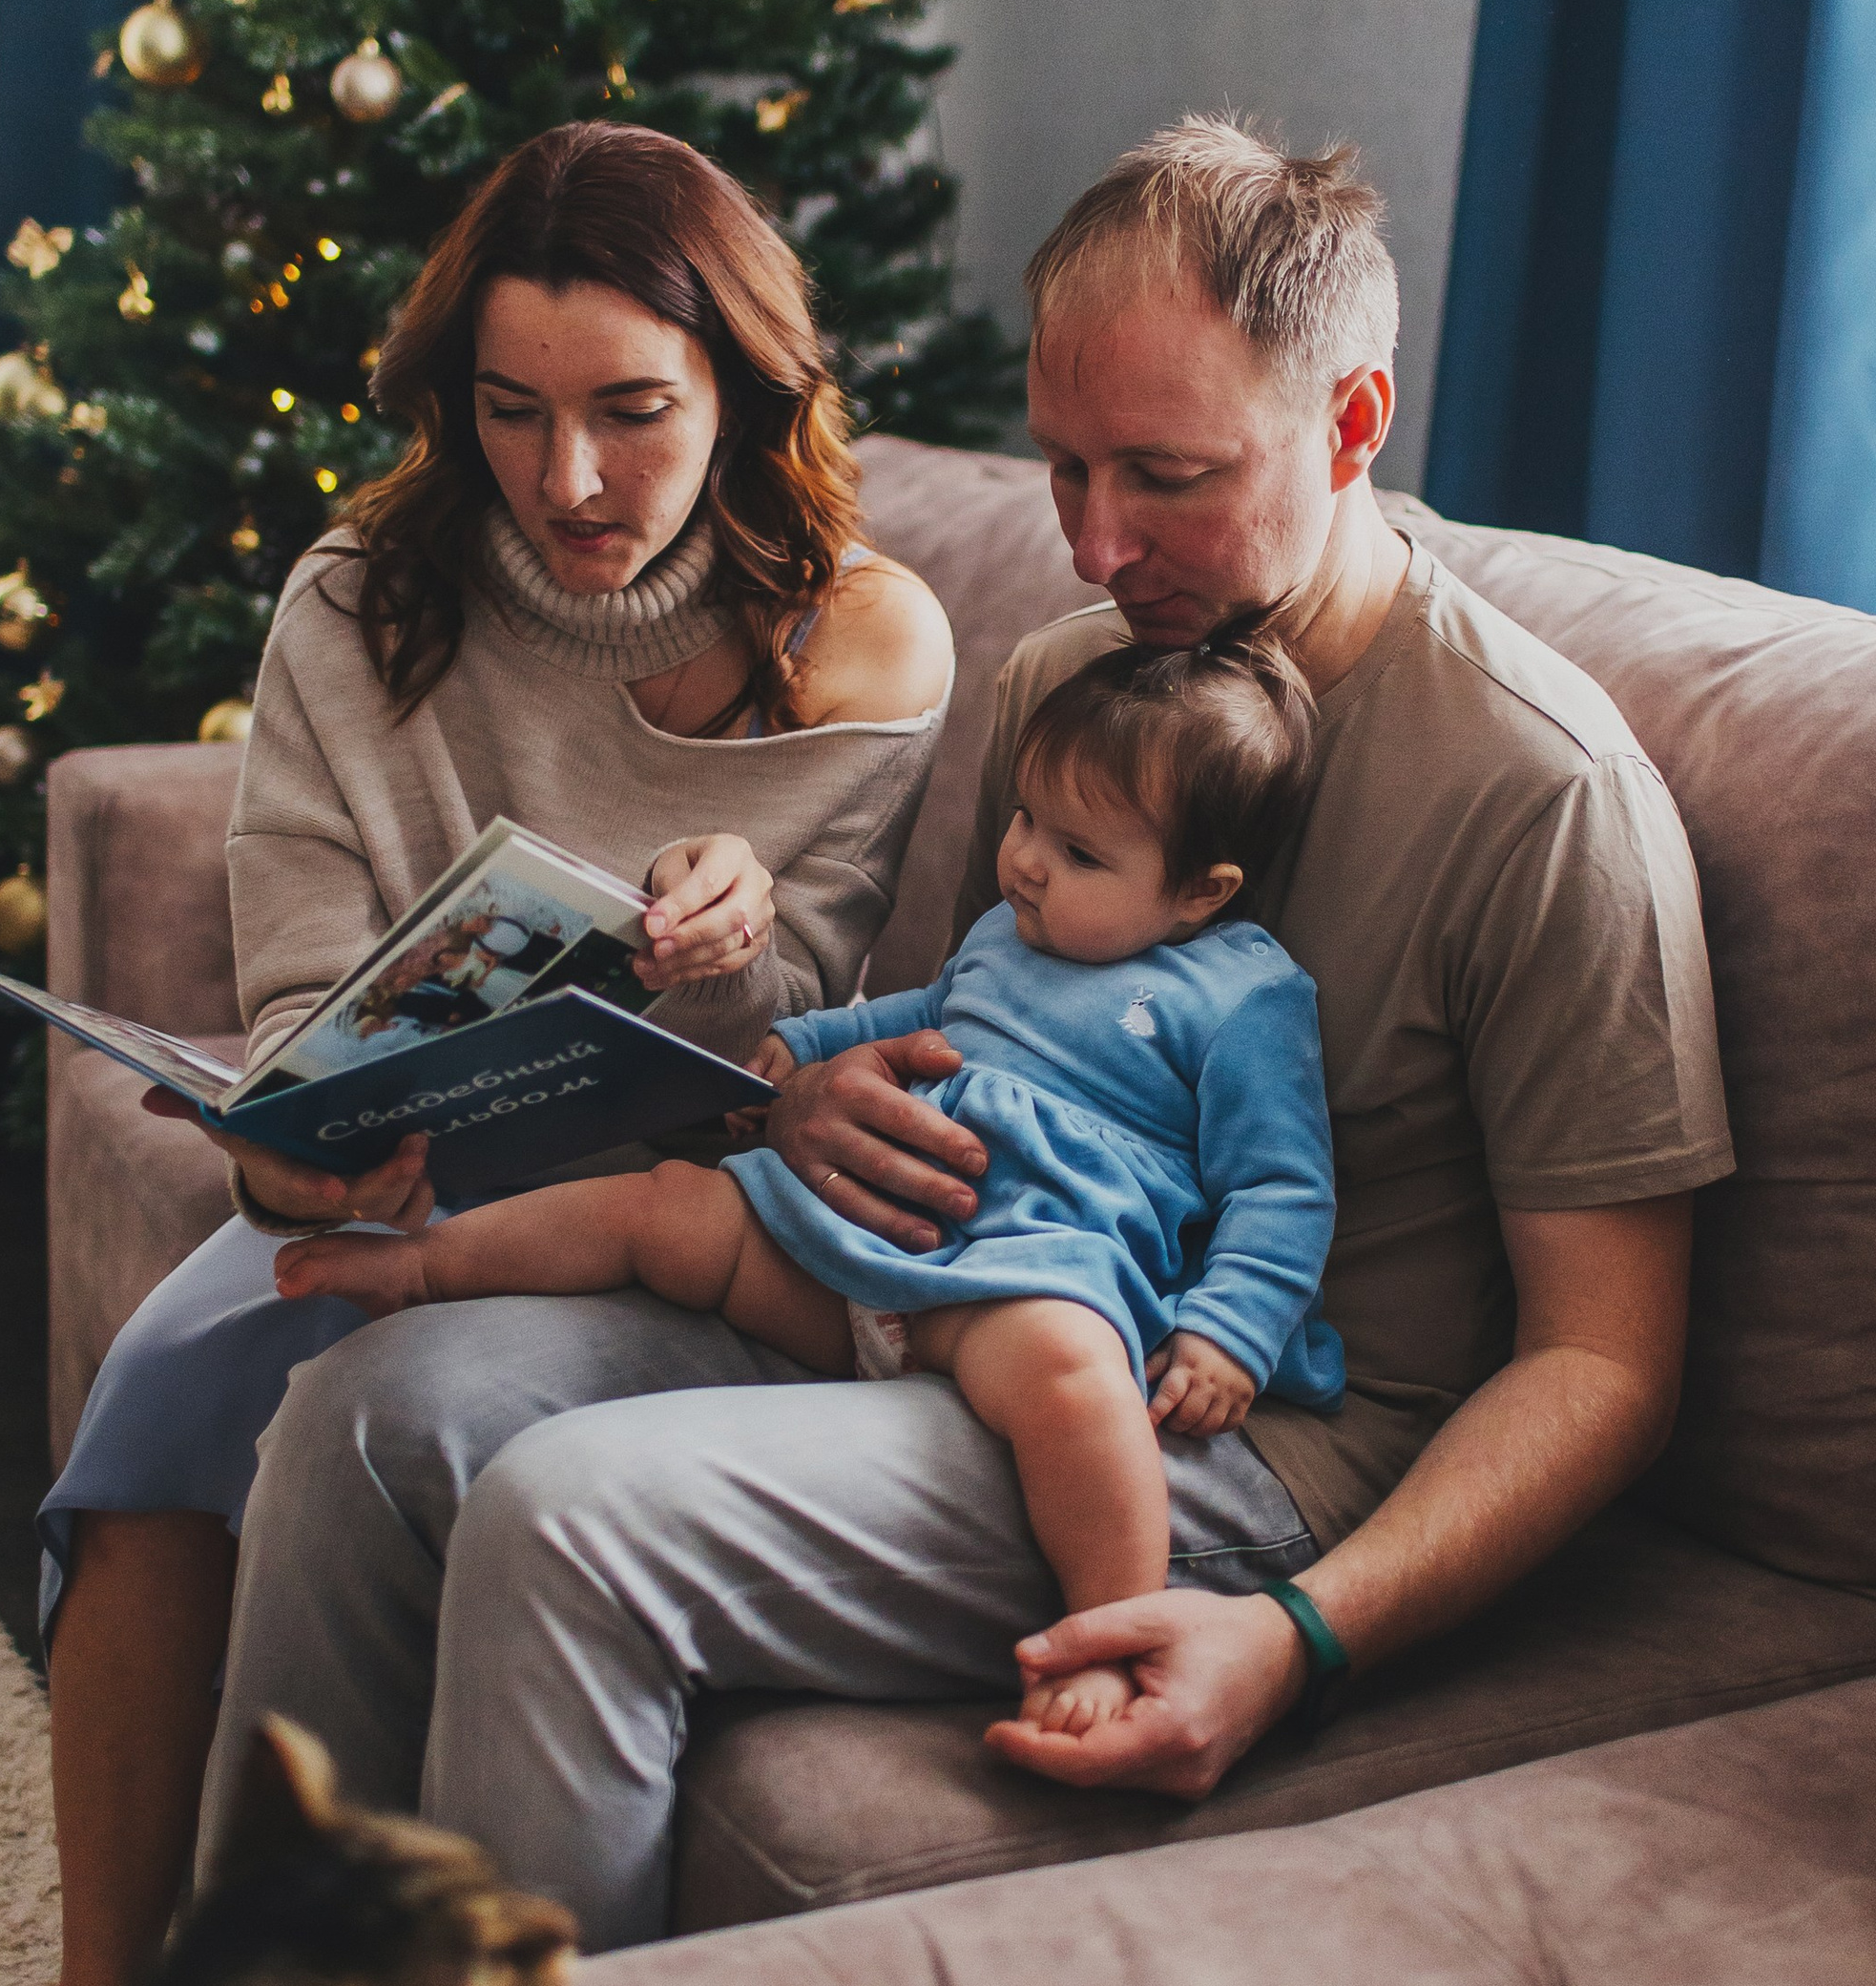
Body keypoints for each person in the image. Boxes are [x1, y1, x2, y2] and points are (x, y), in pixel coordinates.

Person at [200, 115, 1733, 1953]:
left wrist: (1296, 1633)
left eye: (1162, 477)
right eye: (1064, 467)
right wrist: (811, 1098)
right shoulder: (1075, 673)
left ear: (1350, 423)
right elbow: (972, 1039)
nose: (1094, 545)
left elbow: (1608, 1369)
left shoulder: (1537, 796)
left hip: (1221, 1441)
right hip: (935, 1299)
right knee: (364, 1419)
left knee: (568, 1515)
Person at [28, 121, 954, 1986]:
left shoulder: (863, 638)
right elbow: (294, 992)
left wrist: (744, 933)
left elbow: (815, 1022)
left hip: (677, 1212)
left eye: (632, 411)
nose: (571, 481)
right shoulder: (360, 603)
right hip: (404, 1185)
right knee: (157, 1415)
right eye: (513, 415)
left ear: (745, 388)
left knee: (348, 1427)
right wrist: (307, 1164)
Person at [272, 638, 1342, 1742]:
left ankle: (1113, 1631)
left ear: (1200, 891)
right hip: (841, 1248)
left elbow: (1281, 1188)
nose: (1022, 862)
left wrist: (1229, 1333)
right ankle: (427, 1265)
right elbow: (920, 1012)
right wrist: (804, 1043)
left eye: (1078, 851)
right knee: (661, 1209)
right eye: (1025, 819)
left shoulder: (1241, 996)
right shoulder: (1003, 934)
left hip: (1019, 1275)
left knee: (1080, 1388)